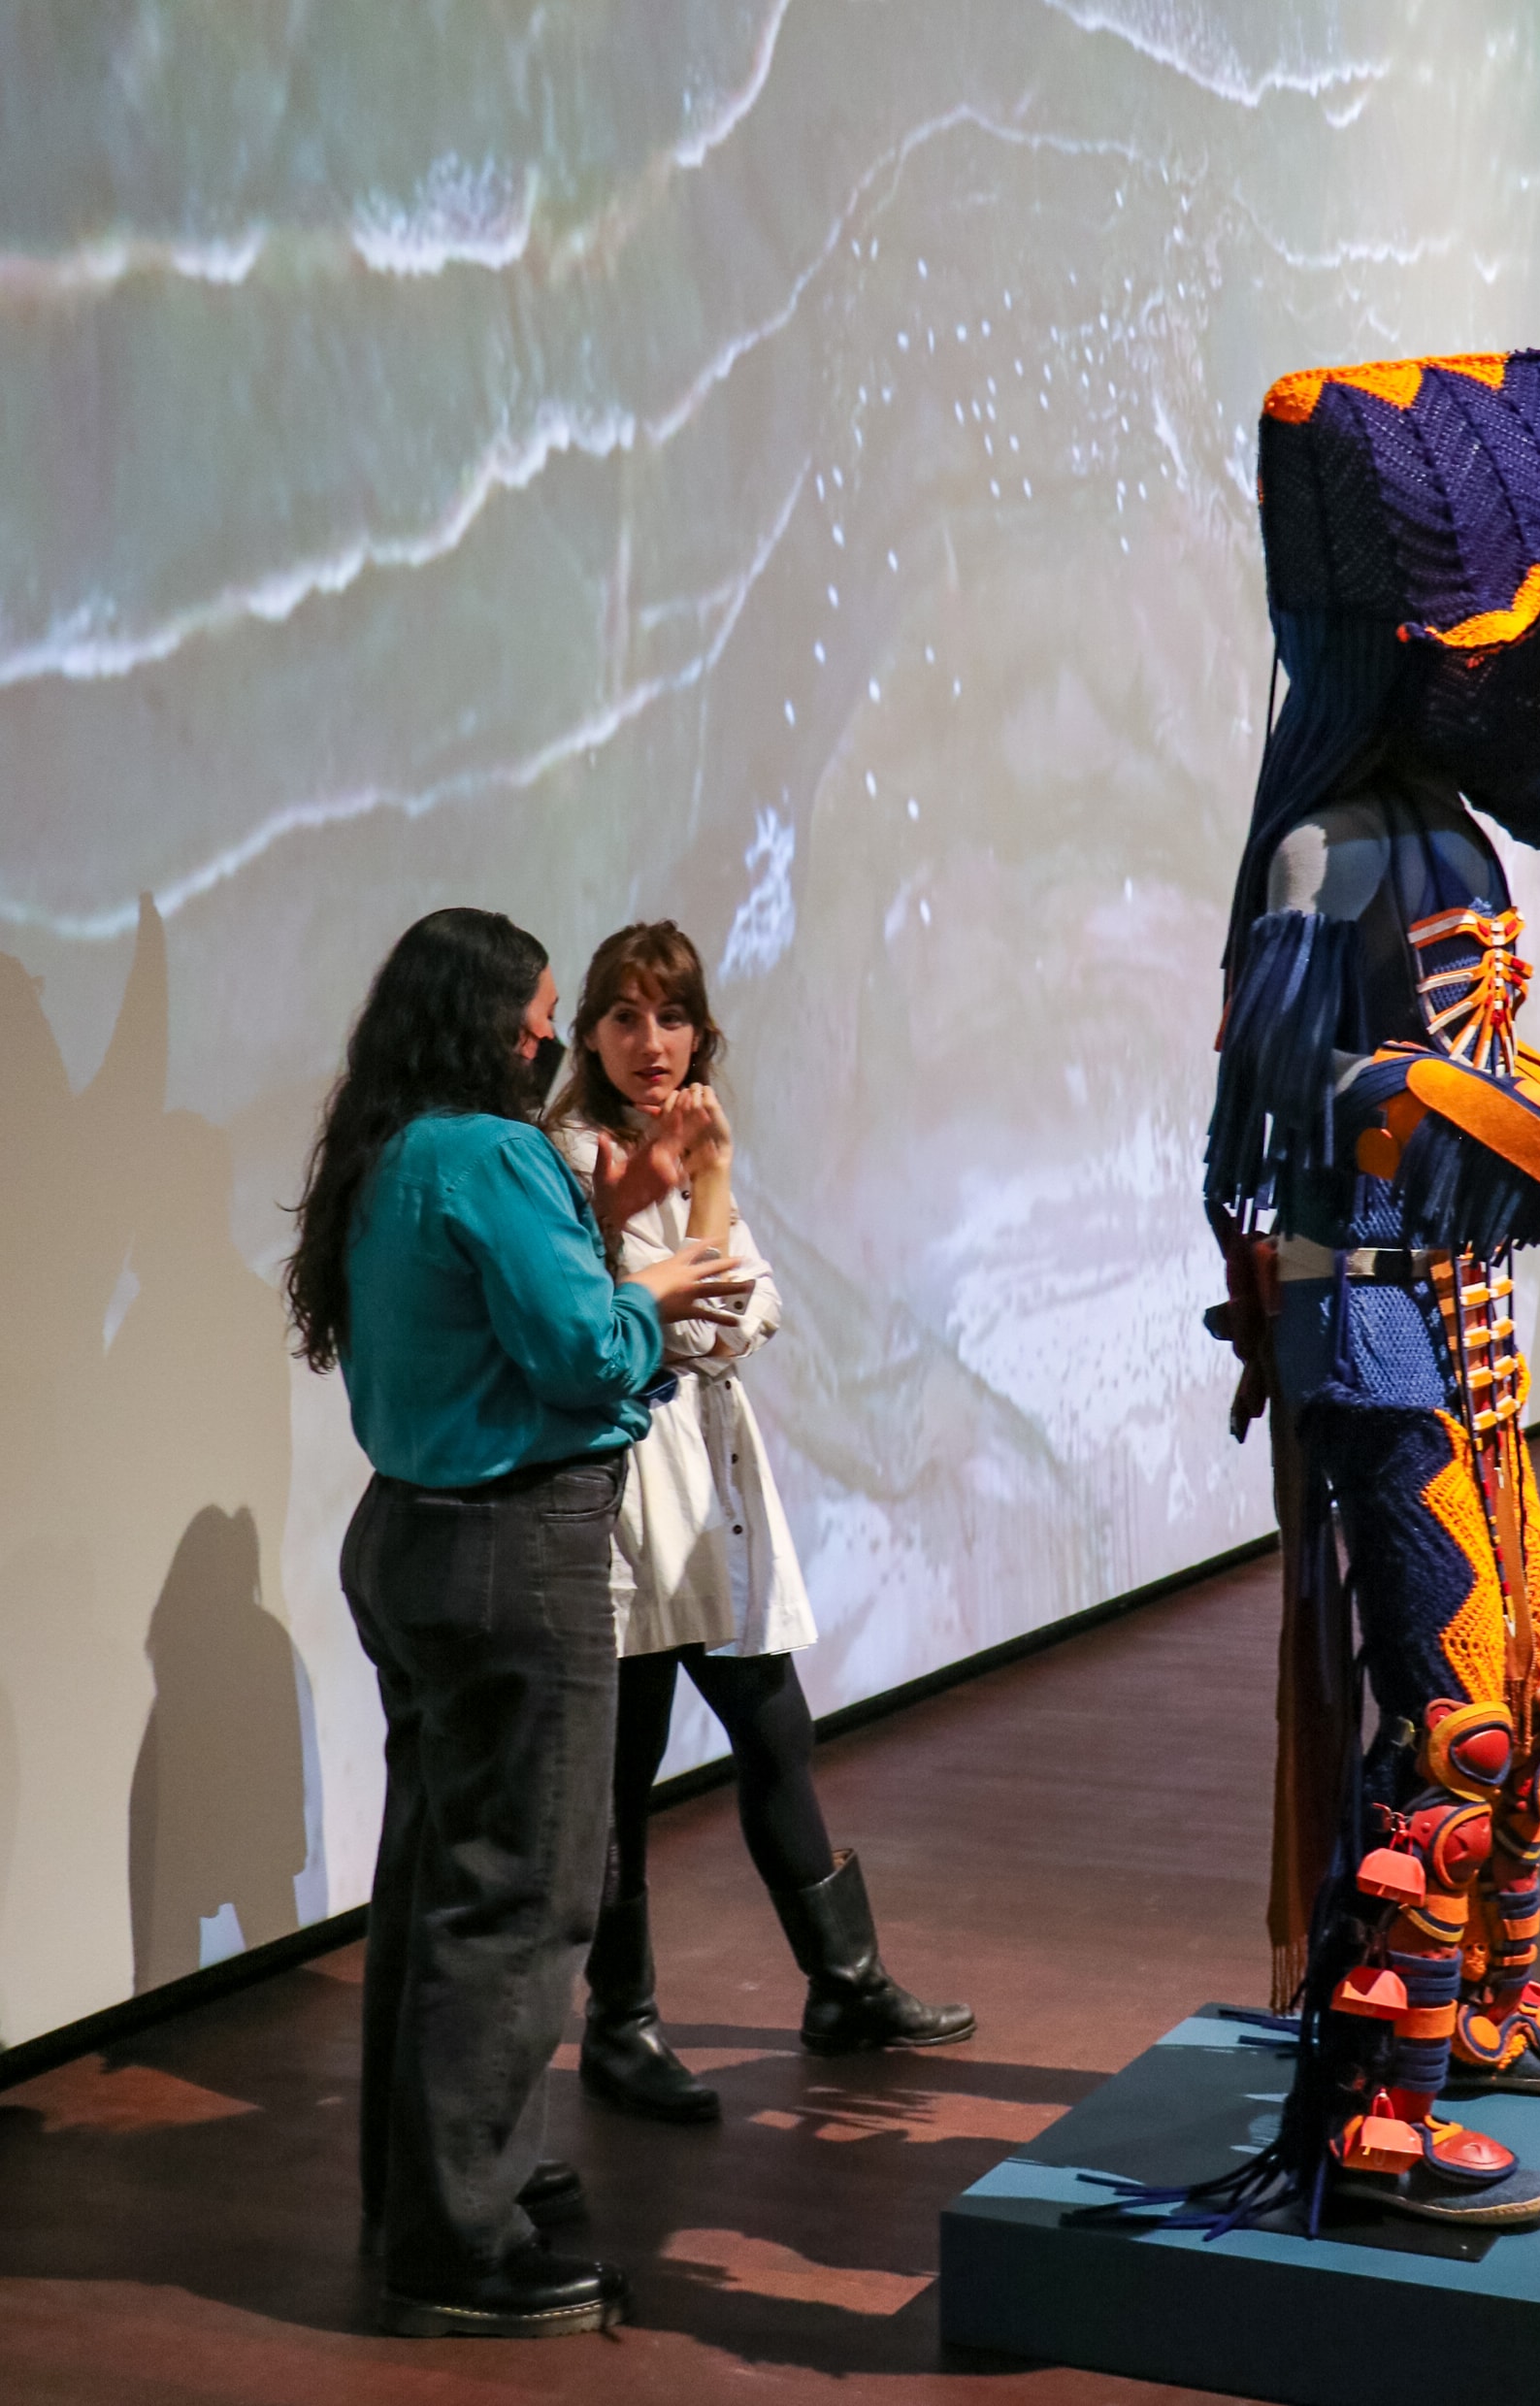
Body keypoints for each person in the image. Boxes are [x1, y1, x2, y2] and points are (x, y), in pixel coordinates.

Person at [1136, 350, 1540, 2237]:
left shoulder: (1431, 834)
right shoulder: (1324, 853)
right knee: (1448, 1714)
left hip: (1453, 1321)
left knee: (1523, 1685)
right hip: (1378, 1328)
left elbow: (1430, 1073)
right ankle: (1374, 2119)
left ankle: (1477, 2004)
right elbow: (1313, 1101)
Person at [284, 906, 744, 2336]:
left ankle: (430, 2191)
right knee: (525, 1892)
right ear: (484, 1021)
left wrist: (603, 1225)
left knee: (439, 1880)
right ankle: (461, 2240)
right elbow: (581, 1350)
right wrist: (650, 1285)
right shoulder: (489, 1151)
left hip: (411, 1538)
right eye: (540, 1019)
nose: (549, 1042)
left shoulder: (391, 1151)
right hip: (510, 1551)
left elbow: (487, 1313)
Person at [545, 919, 973, 2123]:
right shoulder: (572, 1157)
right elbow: (681, 1321)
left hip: (713, 1490)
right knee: (622, 1774)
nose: (652, 1042)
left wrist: (715, 1178)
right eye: (625, 1017)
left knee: (776, 1731)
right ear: (588, 1035)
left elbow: (741, 1312)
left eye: (672, 1017)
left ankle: (845, 1983)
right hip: (629, 1495)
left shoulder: (689, 1147)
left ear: (702, 1033)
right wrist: (701, 1255)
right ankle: (621, 2026)